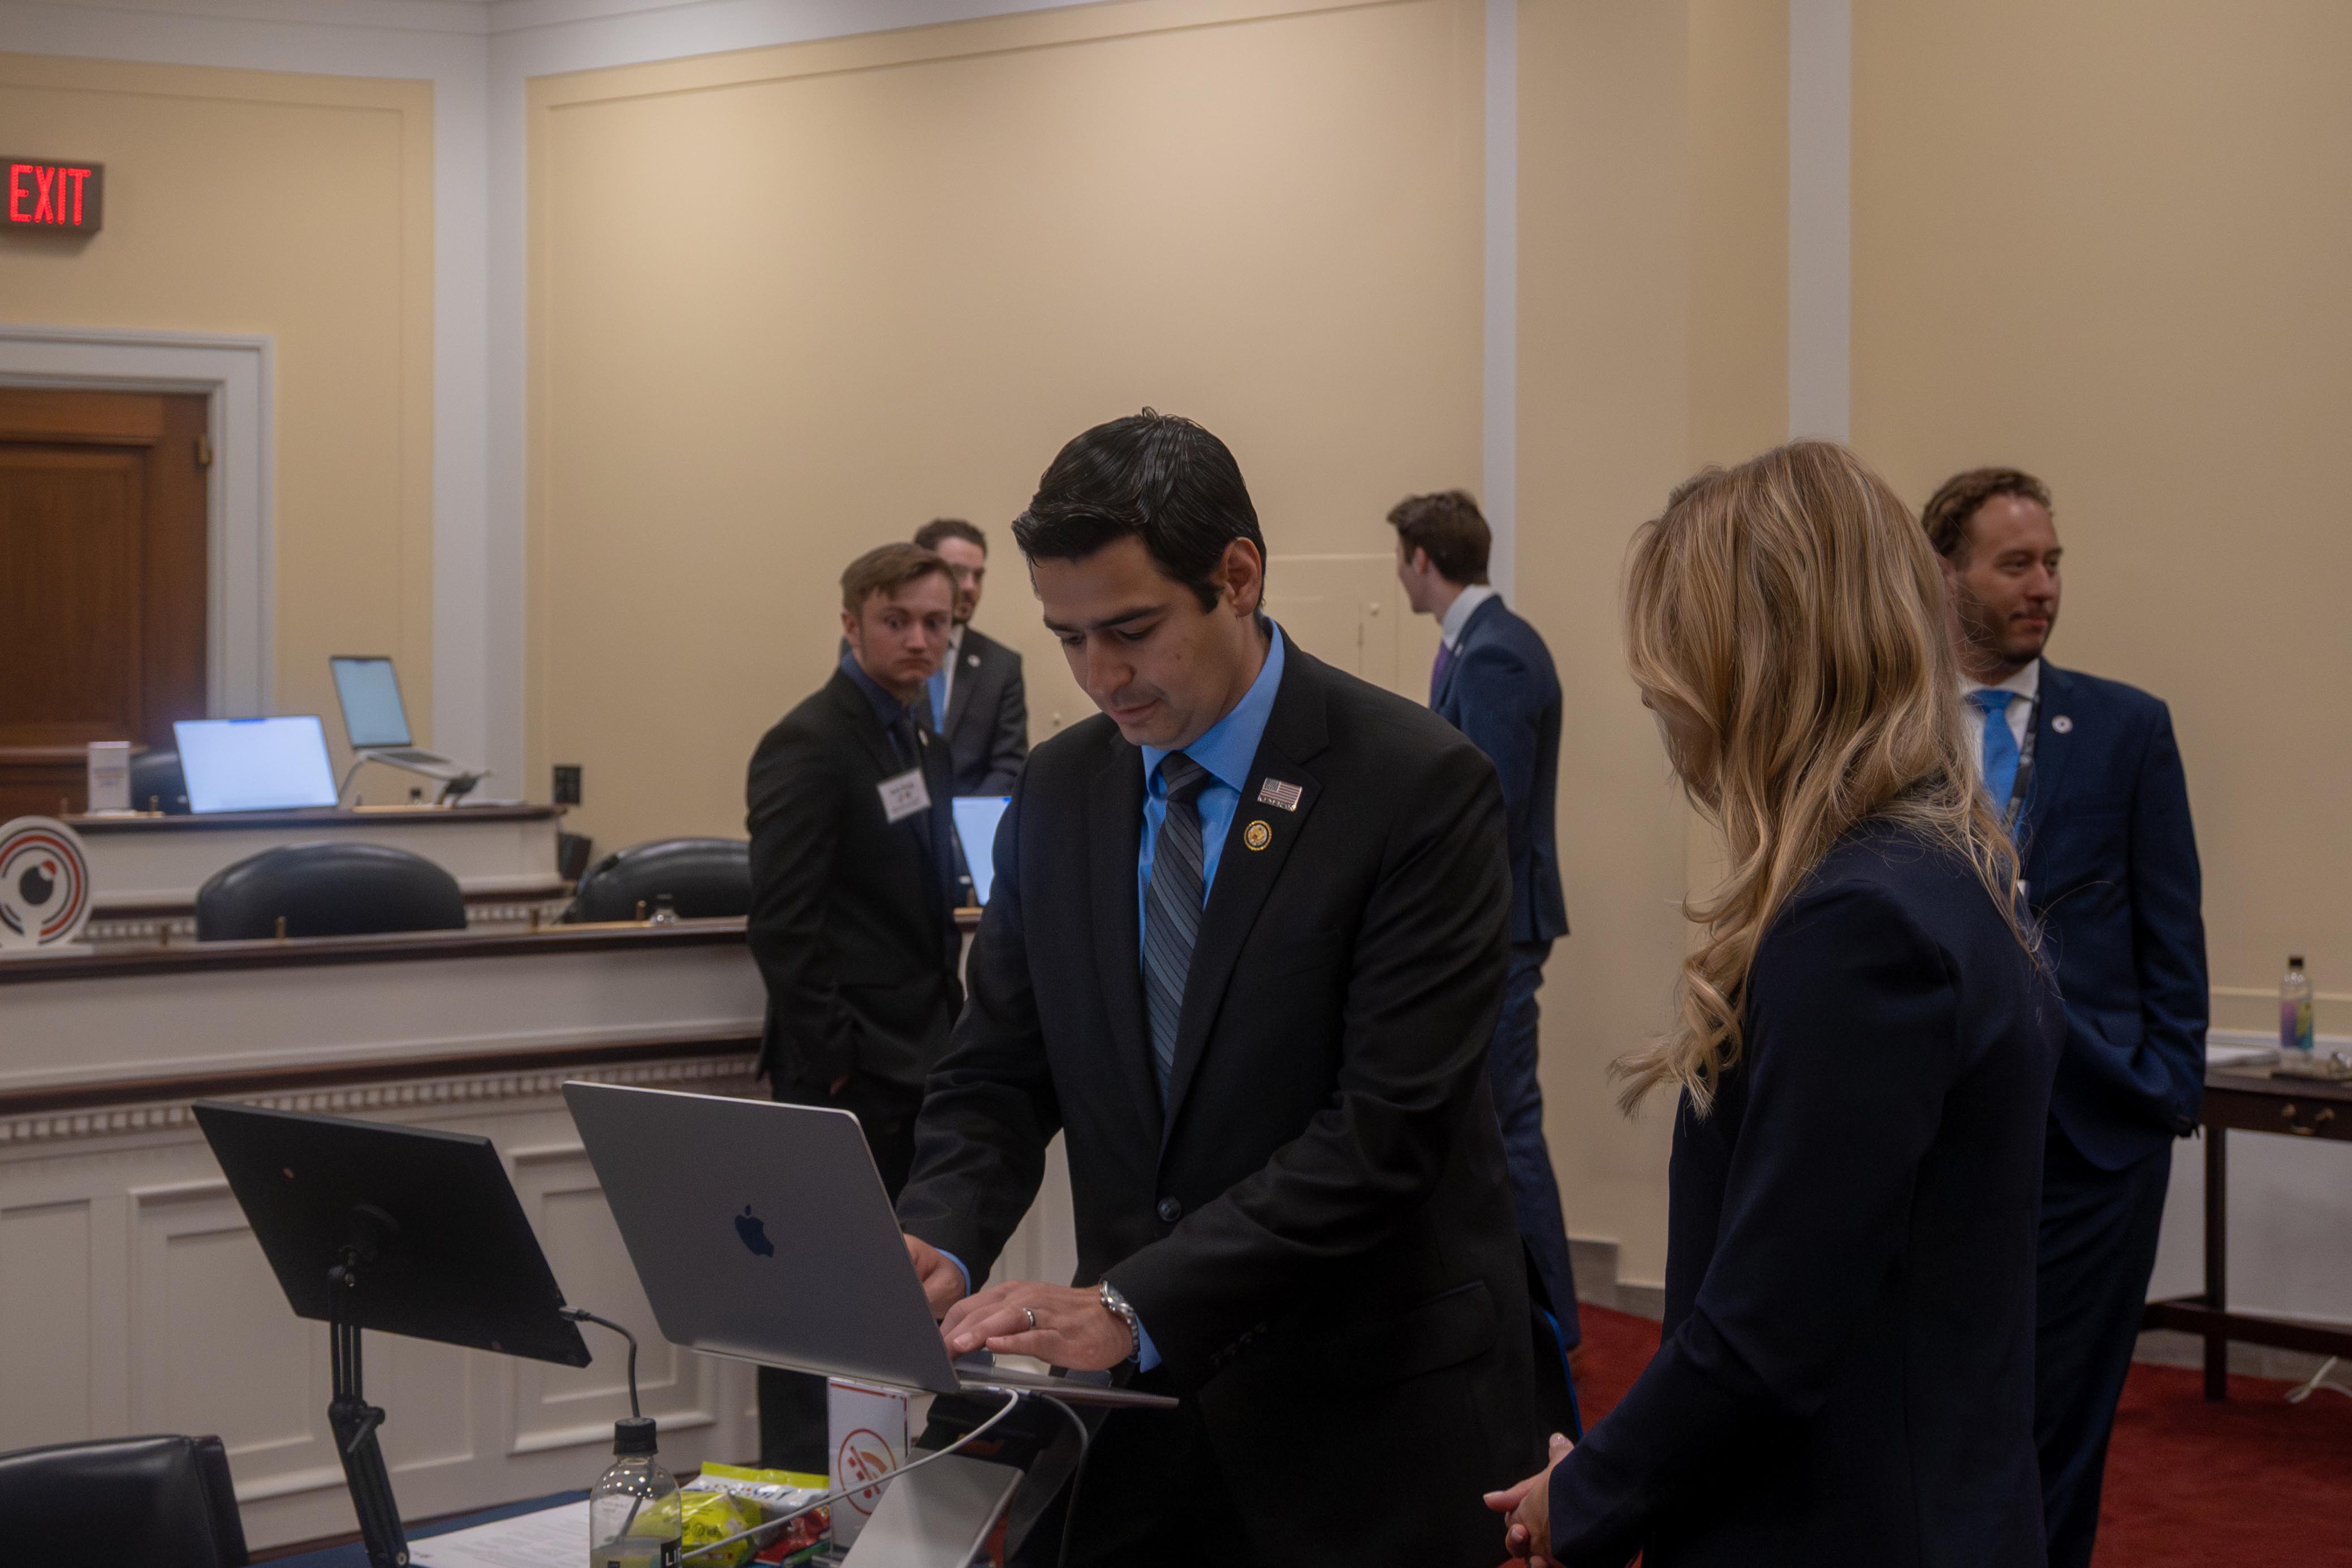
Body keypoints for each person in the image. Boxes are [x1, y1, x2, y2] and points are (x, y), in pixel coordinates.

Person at [892, 411, 1540, 1566]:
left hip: (1368, 1418)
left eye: (1132, 631)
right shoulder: (1062, 790)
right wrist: (940, 1231)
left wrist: (1135, 1303)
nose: (1101, 677)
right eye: (1069, 638)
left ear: (1237, 576)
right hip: (1148, 1427)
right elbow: (996, 1068)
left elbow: (1384, 1135)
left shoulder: (1416, 785)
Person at [1490, 440, 2063, 1567]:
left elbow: (1770, 1329)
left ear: (1757, 670)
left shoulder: (1859, 925)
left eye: (1675, 671)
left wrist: (1588, 1495)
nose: (1666, 715)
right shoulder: (1941, 874)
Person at [1922, 466, 2207, 1568]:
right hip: (1944, 1129)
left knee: (2065, 1424)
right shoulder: (1897, 733)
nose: (2041, 587)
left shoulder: (2128, 729)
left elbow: (2170, 930)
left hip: (2098, 1138)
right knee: (1952, 1410)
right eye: (2014, 564)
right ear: (1947, 575)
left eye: (2051, 564)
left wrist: (2163, 1094)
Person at [744, 542, 964, 1470]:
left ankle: (883, 1478)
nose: (918, 639)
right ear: (849, 623)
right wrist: (835, 1052)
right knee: (814, 1303)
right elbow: (784, 921)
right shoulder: (810, 739)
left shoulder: (913, 732)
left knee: (905, 1292)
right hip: (847, 1068)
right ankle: (802, 1488)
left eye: (935, 623)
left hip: (917, 1055)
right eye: (895, 620)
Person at [1389, 489, 1582, 1380]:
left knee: (1508, 1126)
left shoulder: (1498, 653)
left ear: (1422, 559)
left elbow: (1491, 807)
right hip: (1488, 925)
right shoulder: (1474, 644)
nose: (1399, 573)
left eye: (1400, 558)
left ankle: (1553, 1326)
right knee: (1496, 1121)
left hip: (1497, 927)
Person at [913, 517, 1030, 795]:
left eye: (978, 576)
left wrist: (962, 821)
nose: (969, 587)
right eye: (957, 572)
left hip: (970, 821)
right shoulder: (884, 652)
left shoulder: (1001, 666)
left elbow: (1010, 765)